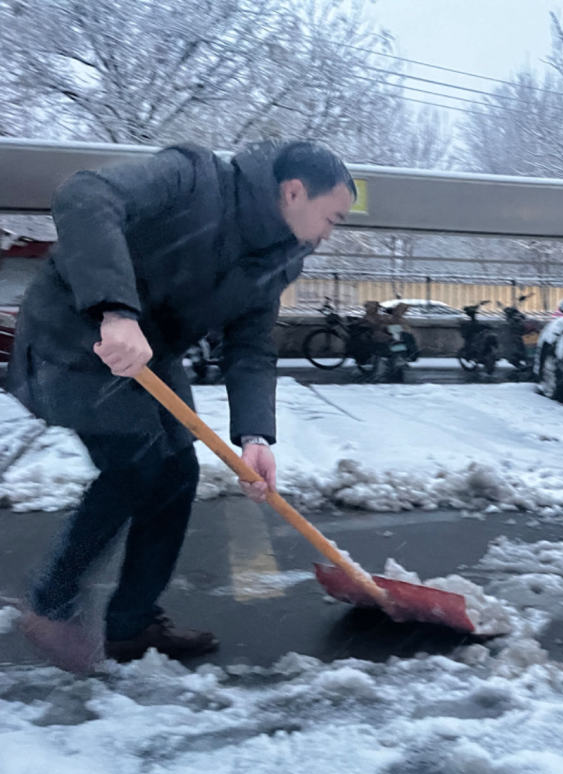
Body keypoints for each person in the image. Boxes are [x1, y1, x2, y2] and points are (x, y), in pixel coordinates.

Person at [6, 140, 356, 671]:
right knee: (137, 466)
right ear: (293, 191)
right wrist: (115, 309)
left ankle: (132, 623)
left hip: (152, 354)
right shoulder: (193, 179)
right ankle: (51, 601)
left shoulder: (279, 258)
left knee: (176, 473)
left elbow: (250, 348)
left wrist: (254, 437)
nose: (331, 233)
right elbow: (86, 195)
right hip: (72, 339)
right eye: (332, 217)